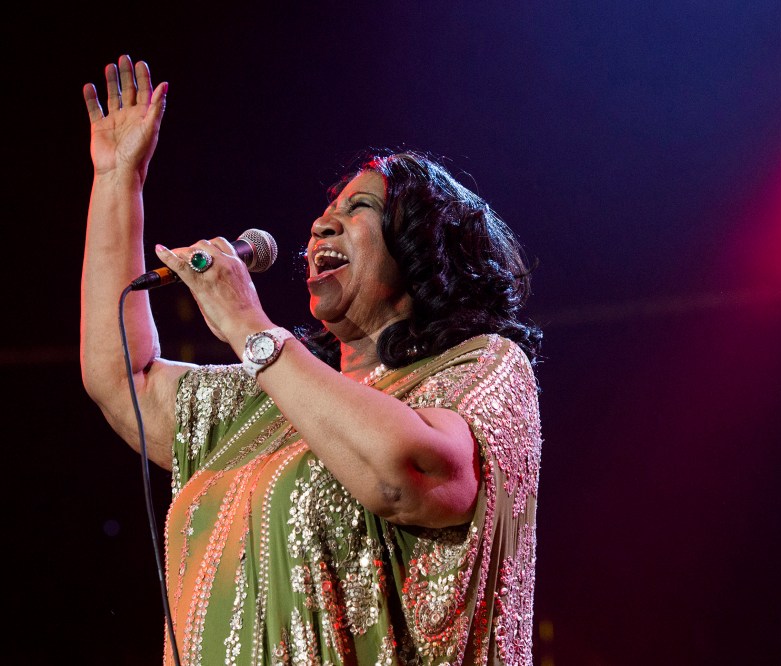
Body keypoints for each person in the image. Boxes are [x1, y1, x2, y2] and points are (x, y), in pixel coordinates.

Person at [81, 55, 542, 666]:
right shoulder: (266, 404)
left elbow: (411, 476)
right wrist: (118, 182)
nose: (323, 223)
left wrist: (250, 327)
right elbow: (123, 379)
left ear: (423, 247)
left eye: (360, 210)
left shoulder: (482, 368)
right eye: (328, 210)